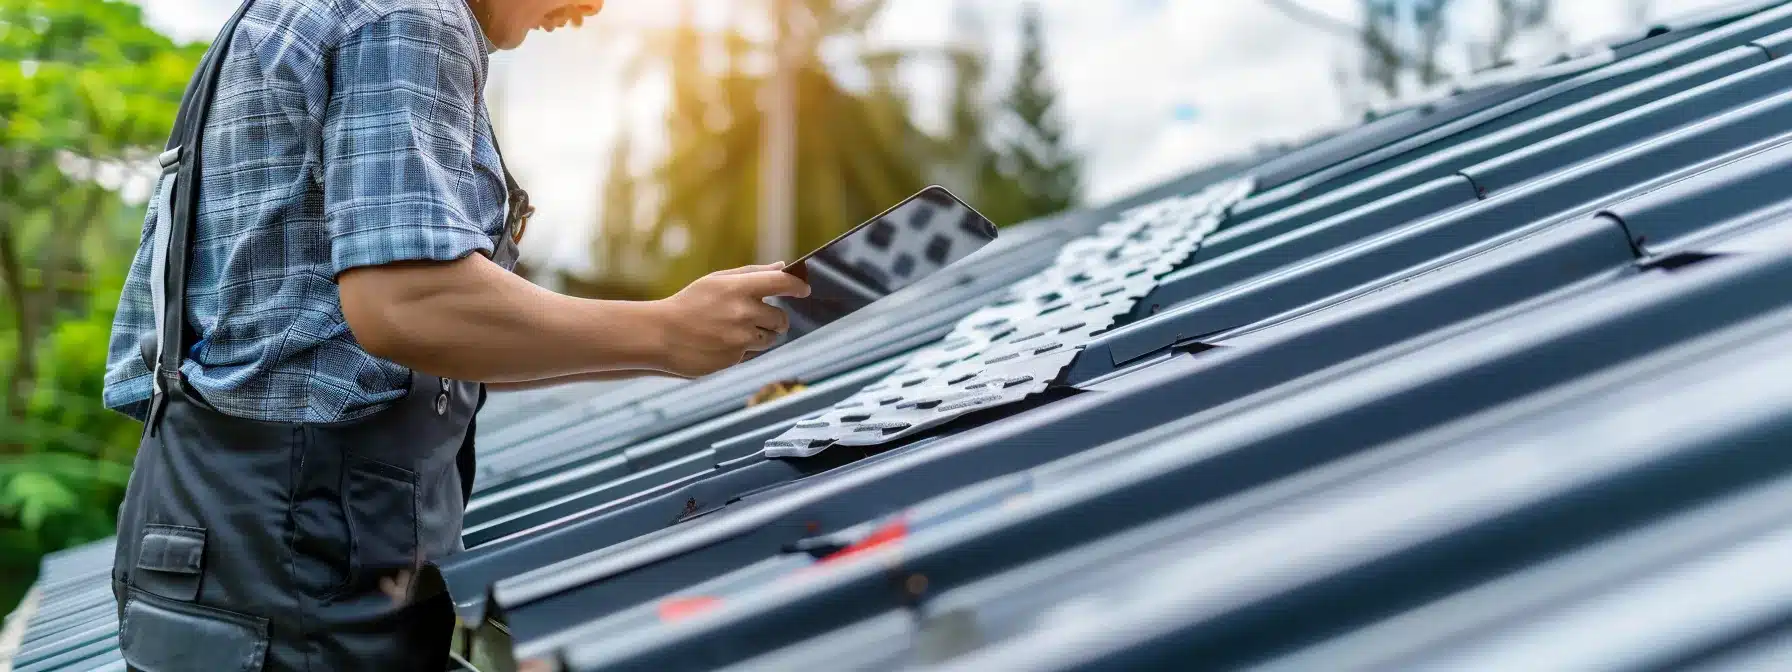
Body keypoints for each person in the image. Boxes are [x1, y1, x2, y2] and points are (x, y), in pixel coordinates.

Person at [100, 0, 809, 669]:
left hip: (217, 541)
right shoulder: (409, 16)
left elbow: (396, 335)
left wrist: (666, 343)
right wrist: (662, 331)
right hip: (295, 556)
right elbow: (406, 303)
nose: (593, 7)